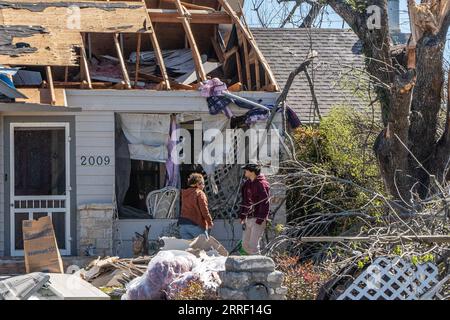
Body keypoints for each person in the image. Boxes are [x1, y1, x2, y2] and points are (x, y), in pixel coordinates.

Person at [240, 164, 271, 255]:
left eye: (246, 170)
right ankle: (253, 262)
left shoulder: (262, 184)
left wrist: (260, 219)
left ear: (252, 172)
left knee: (253, 245)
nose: (244, 171)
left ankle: (258, 266)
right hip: (248, 218)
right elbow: (244, 200)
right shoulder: (247, 184)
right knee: (245, 244)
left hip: (258, 218)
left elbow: (265, 202)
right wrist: (242, 215)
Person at [178, 173, 214, 240]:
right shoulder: (199, 193)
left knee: (189, 249)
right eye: (203, 183)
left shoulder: (184, 194)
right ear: (198, 184)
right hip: (195, 224)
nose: (204, 186)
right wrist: (210, 222)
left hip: (183, 225)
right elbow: (204, 210)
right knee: (206, 248)